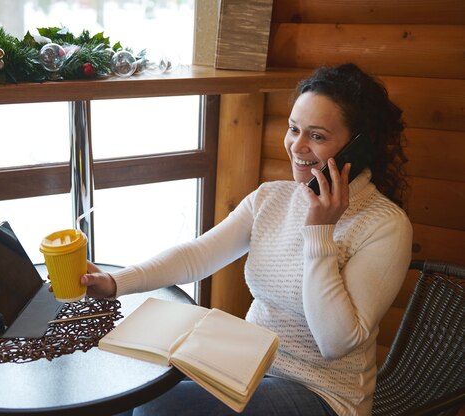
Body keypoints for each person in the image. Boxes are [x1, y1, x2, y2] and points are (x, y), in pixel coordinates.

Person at [81, 63, 413, 416]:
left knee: (159, 411)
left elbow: (335, 343)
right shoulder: (271, 198)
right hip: (245, 369)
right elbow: (197, 256)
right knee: (121, 394)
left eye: (317, 136)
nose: (297, 146)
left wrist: (319, 232)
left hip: (323, 394)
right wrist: (114, 281)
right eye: (293, 129)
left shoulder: (385, 226)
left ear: (358, 148)